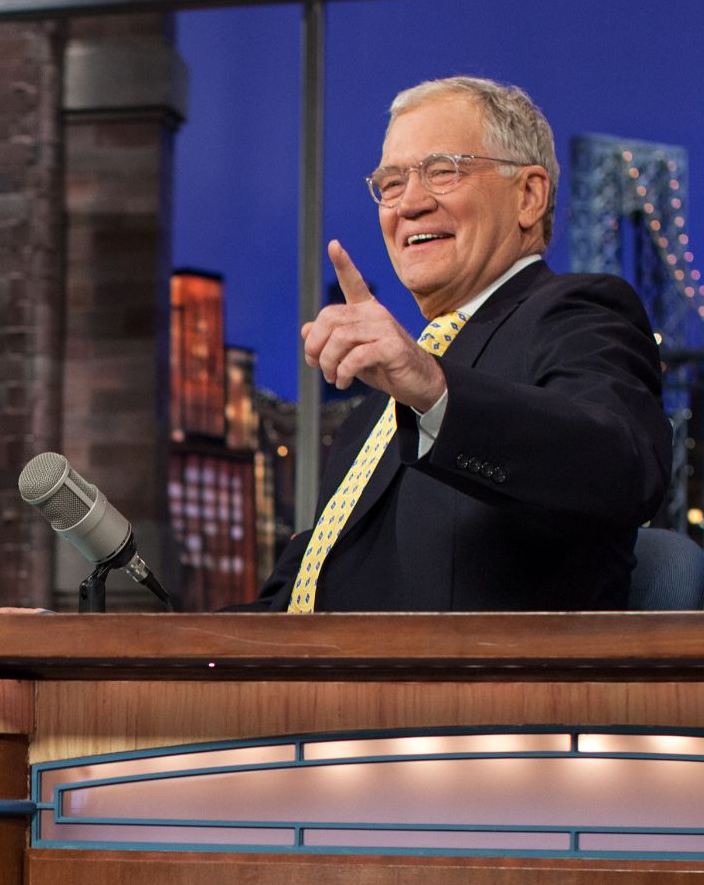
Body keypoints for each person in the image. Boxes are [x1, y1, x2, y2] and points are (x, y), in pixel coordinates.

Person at [230, 76, 671, 612]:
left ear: (528, 196)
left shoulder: (579, 314)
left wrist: (435, 390)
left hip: (474, 691)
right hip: (329, 688)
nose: (409, 204)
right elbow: (297, 602)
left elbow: (622, 468)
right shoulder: (371, 416)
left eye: (443, 171)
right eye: (391, 183)